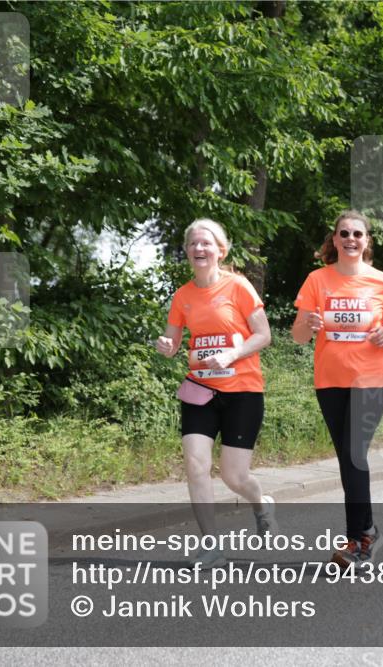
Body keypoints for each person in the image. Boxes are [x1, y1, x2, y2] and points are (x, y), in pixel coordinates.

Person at [291, 210, 383, 568]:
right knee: (348, 458)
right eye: (344, 233)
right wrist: (308, 324)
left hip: (372, 379)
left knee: (355, 454)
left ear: (366, 240)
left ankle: (356, 541)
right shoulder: (317, 280)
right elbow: (298, 338)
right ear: (335, 238)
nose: (350, 239)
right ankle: (368, 530)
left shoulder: (382, 281)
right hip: (330, 381)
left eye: (357, 233)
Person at [156, 219, 276, 566]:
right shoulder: (182, 296)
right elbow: (174, 342)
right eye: (193, 244)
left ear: (220, 250)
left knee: (234, 477)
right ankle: (211, 545)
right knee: (195, 464)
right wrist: (167, 346)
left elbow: (263, 335)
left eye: (206, 243)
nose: (199, 249)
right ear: (187, 252)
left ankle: (260, 503)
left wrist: (231, 354)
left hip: (242, 390)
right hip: (200, 390)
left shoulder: (238, 286)